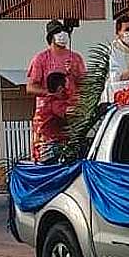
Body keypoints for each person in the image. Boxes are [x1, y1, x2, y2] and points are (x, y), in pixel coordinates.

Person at [27, 20, 85, 162]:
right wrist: (50, 93)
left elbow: (85, 83)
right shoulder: (41, 59)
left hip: (71, 115)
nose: (62, 35)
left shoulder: (75, 58)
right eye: (58, 32)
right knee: (46, 158)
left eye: (64, 32)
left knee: (73, 156)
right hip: (47, 117)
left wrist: (74, 73)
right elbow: (30, 87)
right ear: (51, 36)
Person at [33, 72, 72, 163]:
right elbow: (74, 113)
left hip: (42, 149)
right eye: (66, 88)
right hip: (52, 149)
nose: (68, 91)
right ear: (60, 89)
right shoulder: (56, 103)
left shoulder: (44, 101)